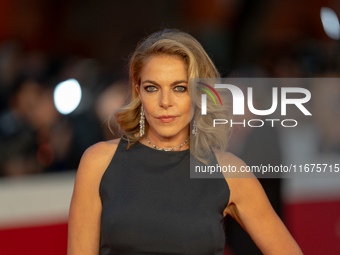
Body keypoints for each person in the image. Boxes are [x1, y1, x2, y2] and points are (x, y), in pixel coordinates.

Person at [67, 29, 303, 255]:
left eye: (179, 88)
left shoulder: (229, 172)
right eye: (152, 88)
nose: (165, 101)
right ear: (138, 92)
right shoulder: (98, 162)